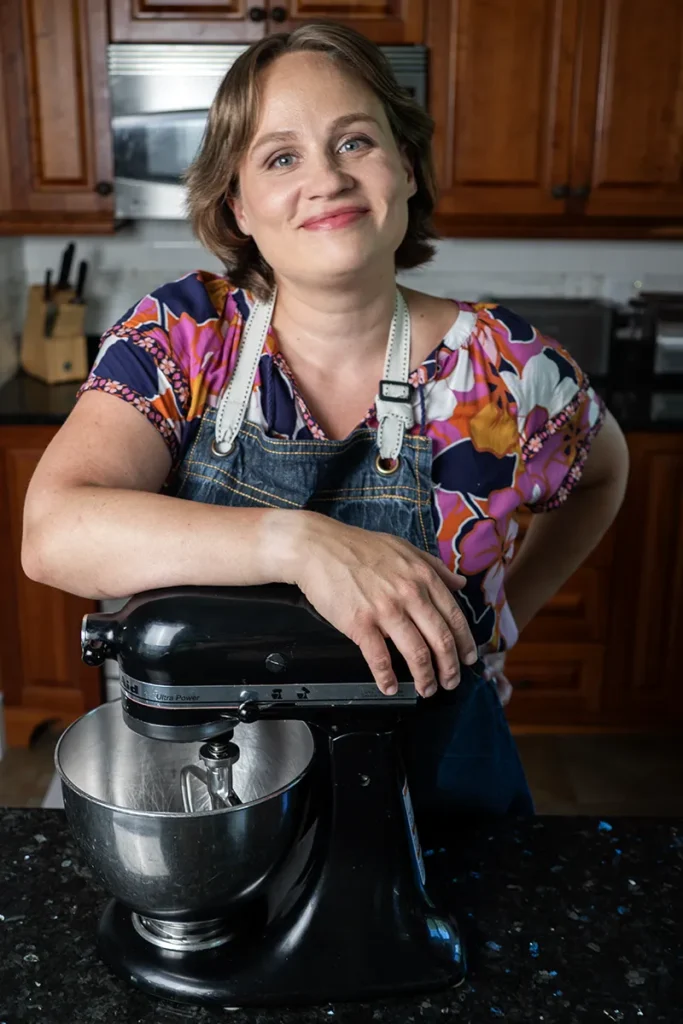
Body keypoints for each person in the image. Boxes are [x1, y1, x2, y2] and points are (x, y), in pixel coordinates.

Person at [22, 23, 628, 817]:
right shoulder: (183, 338)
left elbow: (603, 471)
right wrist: (300, 543)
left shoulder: (506, 371)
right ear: (237, 204)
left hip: (433, 782)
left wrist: (503, 615)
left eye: (354, 142)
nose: (327, 179)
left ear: (404, 168)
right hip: (211, 786)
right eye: (281, 157)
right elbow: (55, 533)